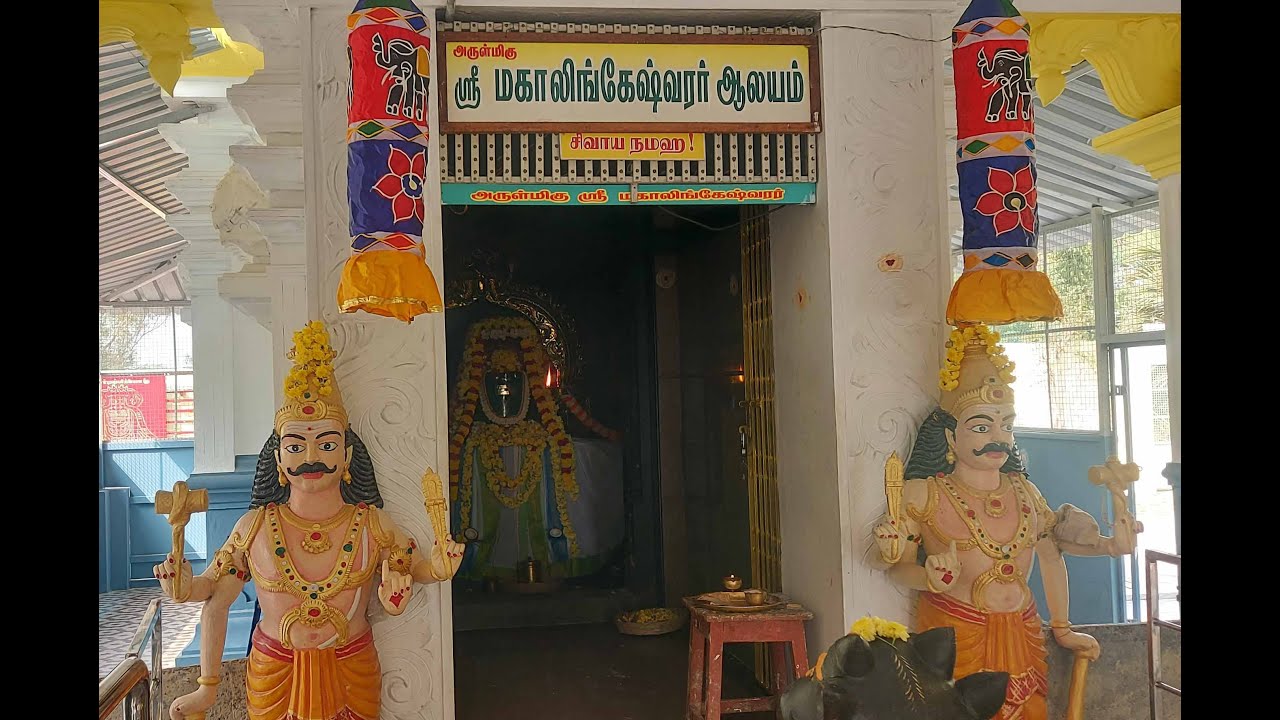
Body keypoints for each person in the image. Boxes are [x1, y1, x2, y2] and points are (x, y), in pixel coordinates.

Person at [154, 320, 465, 720]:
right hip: (274, 672)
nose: (311, 458)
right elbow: (214, 598)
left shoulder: (371, 524)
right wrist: (183, 593)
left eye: (328, 444)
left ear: (347, 458)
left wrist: (437, 568)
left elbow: (411, 566)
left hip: (351, 668)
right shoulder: (255, 528)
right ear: (280, 460)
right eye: (295, 445)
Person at [873, 325, 1138, 720]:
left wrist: (1064, 626)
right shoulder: (922, 493)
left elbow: (1050, 557)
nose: (999, 438)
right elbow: (896, 568)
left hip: (1023, 632)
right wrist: (928, 577)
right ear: (950, 437)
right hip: (955, 635)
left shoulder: (1025, 492)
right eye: (982, 427)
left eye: (1007, 426)